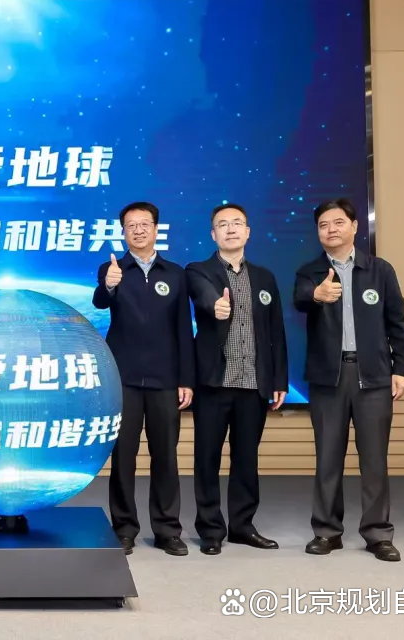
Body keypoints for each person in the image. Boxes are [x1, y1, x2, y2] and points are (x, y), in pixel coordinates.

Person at [293, 198, 404, 562]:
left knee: (374, 460)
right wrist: (317, 294)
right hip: (328, 378)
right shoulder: (310, 272)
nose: (331, 229)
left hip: (373, 376)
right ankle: (327, 531)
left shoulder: (380, 270)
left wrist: (401, 369)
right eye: (323, 225)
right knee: (328, 458)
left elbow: (398, 323)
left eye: (338, 222)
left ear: (355, 226)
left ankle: (378, 533)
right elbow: (299, 299)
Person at [92, 201, 195, 557]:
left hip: (166, 379)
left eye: (144, 224)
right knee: (123, 457)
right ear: (123, 232)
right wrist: (108, 285)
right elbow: (100, 302)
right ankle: (124, 528)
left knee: (165, 456)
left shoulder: (175, 273)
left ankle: (168, 530)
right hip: (124, 378)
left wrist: (186, 379)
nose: (138, 230)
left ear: (155, 229)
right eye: (131, 225)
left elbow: (183, 329)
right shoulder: (113, 268)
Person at [185, 203, 288, 556]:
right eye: (222, 225)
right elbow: (201, 293)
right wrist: (215, 305)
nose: (230, 229)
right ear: (213, 234)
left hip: (253, 383)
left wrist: (279, 379)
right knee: (207, 459)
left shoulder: (265, 278)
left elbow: (276, 332)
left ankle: (243, 526)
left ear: (248, 232)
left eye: (237, 223)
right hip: (213, 382)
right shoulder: (198, 270)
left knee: (246, 459)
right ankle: (211, 529)